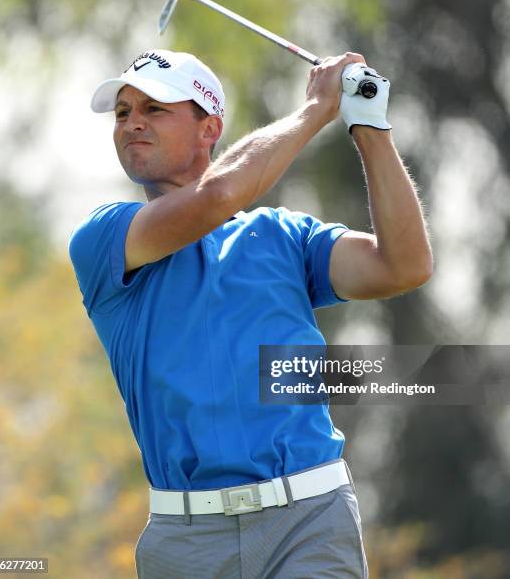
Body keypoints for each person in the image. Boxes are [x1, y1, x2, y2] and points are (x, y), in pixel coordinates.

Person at [68, 48, 432, 578]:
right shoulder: (106, 239)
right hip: (186, 540)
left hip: (309, 520)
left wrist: (370, 126)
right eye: (123, 113)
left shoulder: (285, 237)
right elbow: (217, 195)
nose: (133, 123)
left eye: (156, 108)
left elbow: (404, 266)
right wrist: (315, 110)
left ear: (208, 128)